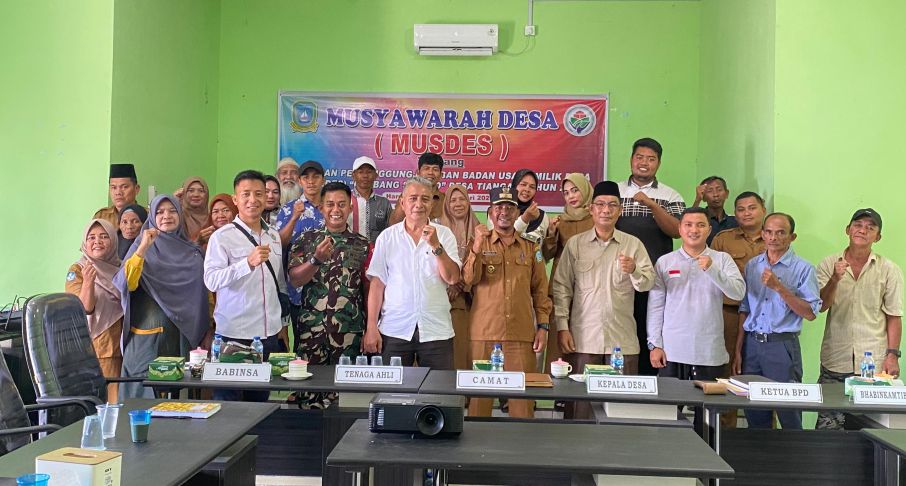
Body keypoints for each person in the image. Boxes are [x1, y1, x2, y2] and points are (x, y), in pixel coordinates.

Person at [552, 181, 654, 419]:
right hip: (584, 340)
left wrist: (634, 270)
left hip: (622, 342)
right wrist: (563, 327)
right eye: (600, 204)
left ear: (620, 210)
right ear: (591, 209)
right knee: (581, 411)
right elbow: (562, 287)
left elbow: (648, 283)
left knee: (621, 412)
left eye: (612, 205)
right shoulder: (576, 244)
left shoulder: (633, 244)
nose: (606, 210)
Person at [647, 208, 745, 427]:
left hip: (708, 352)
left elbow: (738, 293)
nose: (694, 230)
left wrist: (712, 269)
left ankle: (707, 449)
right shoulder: (665, 261)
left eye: (700, 225)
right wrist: (655, 344)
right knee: (668, 417)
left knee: (708, 421)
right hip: (672, 351)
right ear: (680, 229)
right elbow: (655, 306)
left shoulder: (722, 259)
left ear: (709, 230)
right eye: (688, 225)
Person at [463, 186, 552, 418]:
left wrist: (543, 326)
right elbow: (468, 281)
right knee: (479, 403)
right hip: (484, 333)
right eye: (499, 207)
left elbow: (540, 290)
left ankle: (520, 442)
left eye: (510, 207)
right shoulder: (478, 243)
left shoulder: (531, 247)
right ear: (490, 213)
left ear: (517, 212)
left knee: (522, 402)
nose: (504, 212)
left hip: (520, 334)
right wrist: (477, 246)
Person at [203, 170, 288, 402]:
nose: (253, 200)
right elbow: (211, 280)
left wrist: (282, 323)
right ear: (235, 199)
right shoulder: (222, 237)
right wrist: (246, 264)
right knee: (227, 403)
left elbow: (278, 282)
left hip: (268, 334)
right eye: (246, 194)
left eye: (259, 194)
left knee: (259, 403)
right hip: (233, 334)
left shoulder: (273, 236)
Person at [114, 195, 210, 400]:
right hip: (147, 340)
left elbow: (202, 296)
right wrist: (143, 248)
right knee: (141, 400)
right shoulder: (141, 247)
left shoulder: (192, 252)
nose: (166, 216)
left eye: (172, 211)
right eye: (159, 212)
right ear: (152, 217)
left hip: (182, 337)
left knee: (179, 399)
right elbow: (126, 284)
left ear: (180, 215)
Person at [816, 208, 903, 430]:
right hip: (835, 358)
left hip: (873, 362)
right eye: (858, 225)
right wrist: (835, 279)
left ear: (878, 237)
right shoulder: (828, 263)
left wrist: (892, 355)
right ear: (848, 230)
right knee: (829, 428)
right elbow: (821, 306)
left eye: (870, 227)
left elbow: (893, 315)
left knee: (872, 428)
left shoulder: (889, 269)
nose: (863, 230)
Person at [732, 213, 821, 430]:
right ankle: (760, 452)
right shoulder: (753, 266)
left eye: (781, 232)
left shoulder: (803, 268)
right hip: (752, 345)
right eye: (769, 232)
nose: (774, 237)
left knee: (789, 412)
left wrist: (779, 287)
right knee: (754, 412)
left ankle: (794, 453)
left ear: (792, 237)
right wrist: (738, 349)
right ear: (763, 234)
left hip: (781, 345)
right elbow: (745, 308)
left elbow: (810, 313)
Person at [288, 182, 370, 409]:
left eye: (342, 204)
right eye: (330, 204)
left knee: (346, 399)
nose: (336, 210)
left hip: (349, 333)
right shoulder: (306, 239)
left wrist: (370, 328)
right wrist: (316, 260)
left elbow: (367, 289)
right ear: (321, 208)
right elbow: (295, 280)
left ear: (350, 208)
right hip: (311, 332)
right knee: (308, 394)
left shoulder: (362, 244)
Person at [364, 176, 461, 369]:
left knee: (440, 388)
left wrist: (436, 246)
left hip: (436, 330)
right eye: (413, 198)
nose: (419, 204)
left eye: (425, 199)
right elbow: (377, 285)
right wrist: (371, 327)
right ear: (402, 203)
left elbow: (452, 278)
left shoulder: (444, 235)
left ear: (432, 204)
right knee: (392, 388)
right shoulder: (387, 237)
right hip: (394, 329)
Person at [616, 138, 686, 376]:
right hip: (619, 276)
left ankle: (649, 382)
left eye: (651, 159)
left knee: (651, 330)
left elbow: (677, 230)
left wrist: (651, 204)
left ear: (658, 163)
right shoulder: (616, 191)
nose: (644, 163)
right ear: (631, 159)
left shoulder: (670, 195)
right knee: (622, 329)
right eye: (639, 157)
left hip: (654, 277)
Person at [709, 191, 766, 427]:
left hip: (765, 316)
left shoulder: (774, 236)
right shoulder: (723, 240)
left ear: (763, 209)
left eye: (752, 208)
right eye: (741, 209)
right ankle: (725, 433)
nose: (746, 213)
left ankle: (764, 434)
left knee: (764, 377)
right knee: (727, 372)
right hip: (729, 314)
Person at [65, 219, 124, 400]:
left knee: (123, 402)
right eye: (91, 237)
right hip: (97, 347)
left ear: (113, 240)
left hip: (125, 346)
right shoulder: (78, 269)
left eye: (104, 236)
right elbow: (83, 308)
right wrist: (88, 282)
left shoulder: (122, 267)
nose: (97, 241)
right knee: (105, 403)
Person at [541, 173, 594, 371]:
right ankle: (558, 388)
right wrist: (551, 234)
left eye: (575, 190)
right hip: (561, 287)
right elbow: (547, 255)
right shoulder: (559, 221)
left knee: (585, 342)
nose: (571, 196)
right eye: (566, 193)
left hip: (589, 286)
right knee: (559, 343)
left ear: (585, 190)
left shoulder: (597, 218)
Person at [275, 160, 326, 320]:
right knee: (302, 334)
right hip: (299, 288)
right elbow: (279, 244)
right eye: (306, 177)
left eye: (315, 177)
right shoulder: (288, 209)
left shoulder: (332, 208)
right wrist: (294, 218)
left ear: (323, 180)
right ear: (300, 181)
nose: (311, 181)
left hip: (329, 286)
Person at [439, 184, 480, 370]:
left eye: (462, 199)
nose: (458, 204)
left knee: (463, 351)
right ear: (446, 204)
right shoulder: (436, 228)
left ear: (469, 202)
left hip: (468, 300)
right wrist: (450, 283)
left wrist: (460, 283)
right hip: (441, 297)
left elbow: (481, 262)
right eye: (453, 200)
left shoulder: (480, 230)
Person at [388, 152, 446, 224]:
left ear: (441, 175)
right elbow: (394, 223)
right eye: (426, 168)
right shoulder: (407, 196)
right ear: (418, 173)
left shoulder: (446, 200)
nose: (430, 172)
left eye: (435, 169)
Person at [348, 156, 392, 242]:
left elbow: (390, 230)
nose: (365, 176)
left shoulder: (384, 203)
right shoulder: (346, 200)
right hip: (349, 249)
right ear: (353, 175)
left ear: (376, 176)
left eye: (369, 172)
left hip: (377, 249)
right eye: (361, 172)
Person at [692, 176, 737, 245]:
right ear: (703, 197)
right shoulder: (700, 219)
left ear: (726, 193)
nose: (715, 195)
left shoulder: (735, 221)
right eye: (710, 191)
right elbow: (689, 225)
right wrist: (697, 200)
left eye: (719, 190)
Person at [510, 169, 550, 245]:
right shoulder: (500, 212)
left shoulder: (541, 216)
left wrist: (552, 233)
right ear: (514, 186)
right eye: (523, 184)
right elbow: (503, 239)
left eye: (532, 187)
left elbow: (543, 249)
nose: (527, 189)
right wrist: (524, 218)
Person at [94, 163, 141, 228]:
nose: (118, 192)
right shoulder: (101, 216)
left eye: (124, 187)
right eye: (114, 187)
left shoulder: (148, 215)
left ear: (136, 189)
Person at [175, 177, 211, 243]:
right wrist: (173, 203)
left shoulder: (214, 217)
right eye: (191, 190)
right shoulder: (178, 217)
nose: (196, 195)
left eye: (201, 191)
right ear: (183, 193)